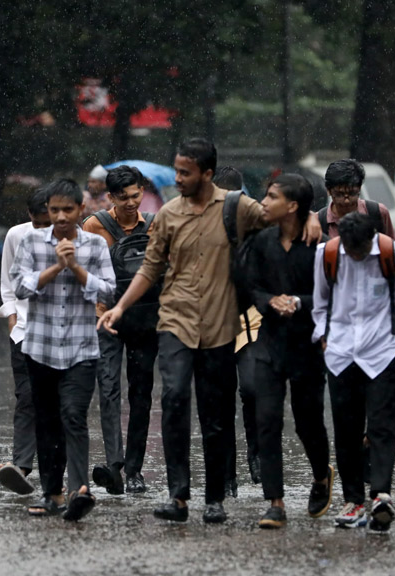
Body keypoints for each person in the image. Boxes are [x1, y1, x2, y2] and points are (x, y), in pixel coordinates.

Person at [98, 138, 321, 523]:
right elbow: (151, 267)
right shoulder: (167, 214)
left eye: (185, 172)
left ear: (206, 173)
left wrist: (312, 217)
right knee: (173, 400)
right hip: (175, 322)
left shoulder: (237, 207)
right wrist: (120, 306)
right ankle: (179, 495)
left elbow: (280, 215)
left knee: (215, 412)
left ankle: (214, 497)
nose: (178, 178)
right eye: (177, 170)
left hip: (220, 324)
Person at [10, 178, 116, 522]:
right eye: (54, 210)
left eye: (67, 210)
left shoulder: (96, 245)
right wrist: (56, 266)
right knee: (47, 421)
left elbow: (109, 292)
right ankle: (52, 493)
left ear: (80, 210)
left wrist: (77, 269)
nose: (59, 216)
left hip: (81, 349)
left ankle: (79, 490)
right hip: (39, 347)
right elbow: (21, 287)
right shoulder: (30, 241)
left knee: (74, 415)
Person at [312, 211, 395, 532]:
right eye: (351, 251)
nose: (356, 256)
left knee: (382, 425)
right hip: (341, 353)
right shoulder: (326, 254)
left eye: (361, 250)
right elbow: (320, 301)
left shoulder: (392, 254)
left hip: (381, 351)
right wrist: (323, 338)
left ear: (372, 239)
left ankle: (381, 495)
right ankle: (353, 500)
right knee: (347, 429)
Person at [250, 174, 332, 529]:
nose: (264, 203)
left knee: (308, 421)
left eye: (272, 197)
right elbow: (248, 284)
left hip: (307, 347)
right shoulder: (261, 242)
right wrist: (269, 300)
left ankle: (320, 474)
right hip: (269, 345)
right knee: (266, 419)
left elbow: (333, 296)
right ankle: (276, 502)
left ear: (294, 206)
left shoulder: (322, 246)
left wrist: (299, 302)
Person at [82, 165, 161, 495]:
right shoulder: (94, 226)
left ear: (142, 191)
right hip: (106, 320)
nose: (131, 203)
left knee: (141, 395)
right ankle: (115, 464)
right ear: (110, 197)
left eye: (136, 195)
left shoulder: (156, 225)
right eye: (123, 198)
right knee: (109, 389)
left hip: (145, 321)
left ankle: (135, 469)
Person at [0, 187, 51, 496]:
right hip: (24, 330)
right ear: (30, 216)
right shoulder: (16, 236)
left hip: (59, 333)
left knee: (56, 401)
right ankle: (23, 466)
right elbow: (8, 284)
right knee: (26, 396)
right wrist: (14, 320)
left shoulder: (73, 237)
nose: (45, 228)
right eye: (39, 222)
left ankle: (56, 465)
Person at [213, 164, 260, 495]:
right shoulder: (197, 222)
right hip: (213, 322)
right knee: (219, 398)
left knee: (252, 390)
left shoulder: (254, 221)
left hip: (251, 321)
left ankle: (256, 455)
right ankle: (227, 475)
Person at [319, 159, 395, 240]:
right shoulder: (319, 221)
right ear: (329, 191)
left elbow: (392, 249)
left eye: (352, 193)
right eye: (339, 195)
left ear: (359, 189)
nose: (347, 201)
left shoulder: (378, 213)